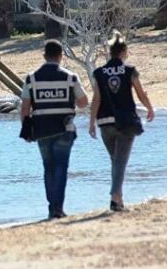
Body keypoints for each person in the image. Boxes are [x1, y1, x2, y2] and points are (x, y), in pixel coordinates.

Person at [20, 40, 89, 219]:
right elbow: (83, 102)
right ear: (60, 56)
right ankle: (58, 207)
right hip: (65, 129)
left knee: (48, 167)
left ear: (44, 56)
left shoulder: (31, 78)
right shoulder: (70, 78)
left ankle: (52, 206)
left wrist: (26, 130)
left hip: (42, 130)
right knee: (61, 167)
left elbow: (24, 108)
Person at [89, 36, 154, 212]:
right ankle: (114, 195)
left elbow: (96, 100)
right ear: (123, 52)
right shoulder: (129, 71)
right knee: (120, 162)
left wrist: (92, 123)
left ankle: (119, 200)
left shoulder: (99, 73)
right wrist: (149, 108)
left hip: (104, 122)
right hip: (125, 122)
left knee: (116, 161)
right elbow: (141, 94)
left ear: (110, 53)